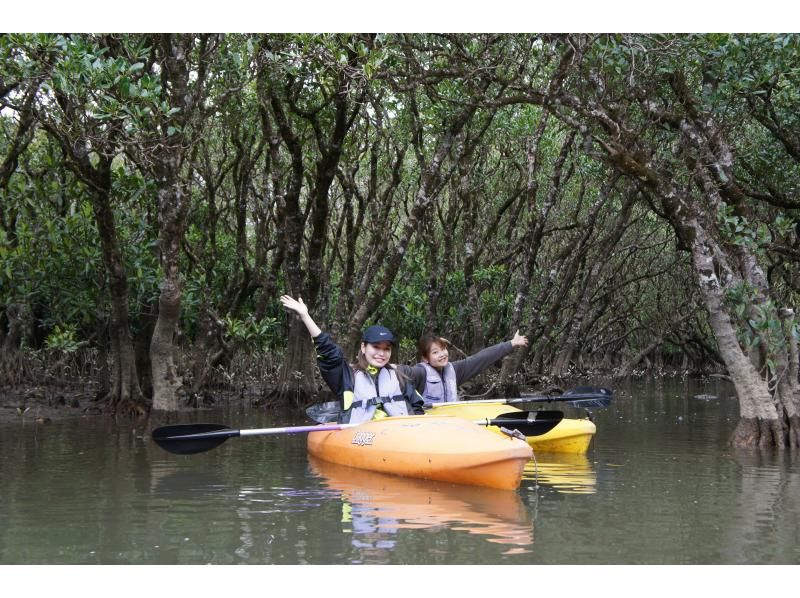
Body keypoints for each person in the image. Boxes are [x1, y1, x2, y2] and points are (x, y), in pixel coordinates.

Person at [279, 295, 424, 424]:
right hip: (362, 437)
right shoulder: (347, 376)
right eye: (376, 347)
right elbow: (329, 352)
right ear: (363, 347)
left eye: (387, 349)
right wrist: (305, 316)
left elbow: (417, 407)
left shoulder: (398, 376)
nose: (382, 353)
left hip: (399, 434)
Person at [413, 330, 529, 406]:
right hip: (429, 428)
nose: (442, 354)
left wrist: (511, 343)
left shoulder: (454, 370)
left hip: (450, 423)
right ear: (425, 358)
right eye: (435, 352)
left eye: (443, 349)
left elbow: (481, 358)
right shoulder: (420, 373)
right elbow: (399, 375)